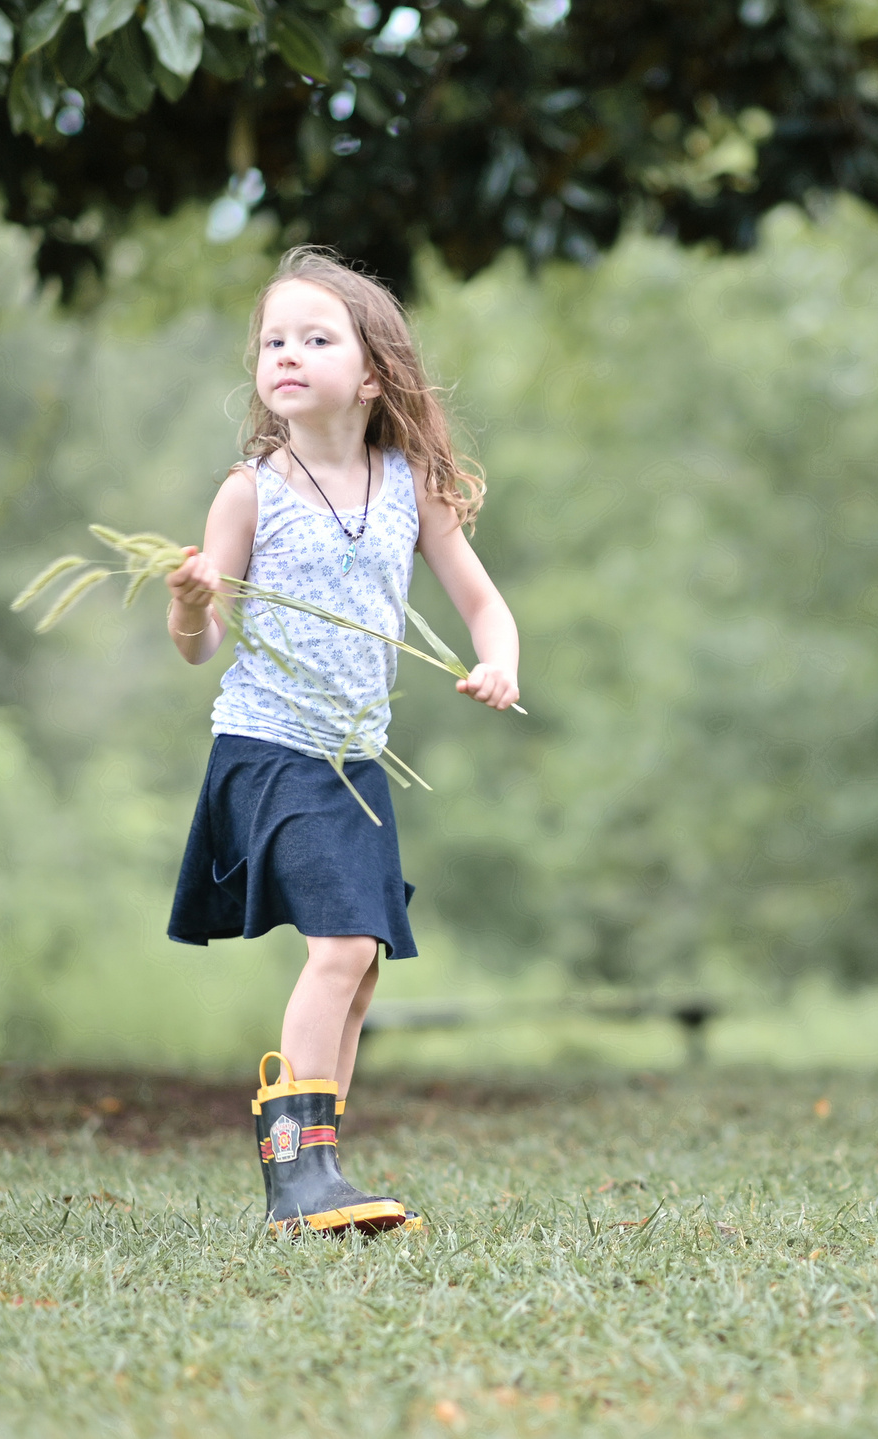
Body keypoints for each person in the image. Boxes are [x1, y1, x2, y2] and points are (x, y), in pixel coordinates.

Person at [162, 248, 520, 1236]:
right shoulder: (250, 492)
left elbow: (484, 603)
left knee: (361, 970)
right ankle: (296, 1174)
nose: (286, 354)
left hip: (356, 762)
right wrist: (187, 602)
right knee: (343, 944)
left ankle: (324, 1165)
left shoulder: (409, 484)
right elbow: (201, 646)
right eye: (274, 339)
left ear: (371, 374)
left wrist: (501, 662)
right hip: (270, 750)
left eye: (315, 338)